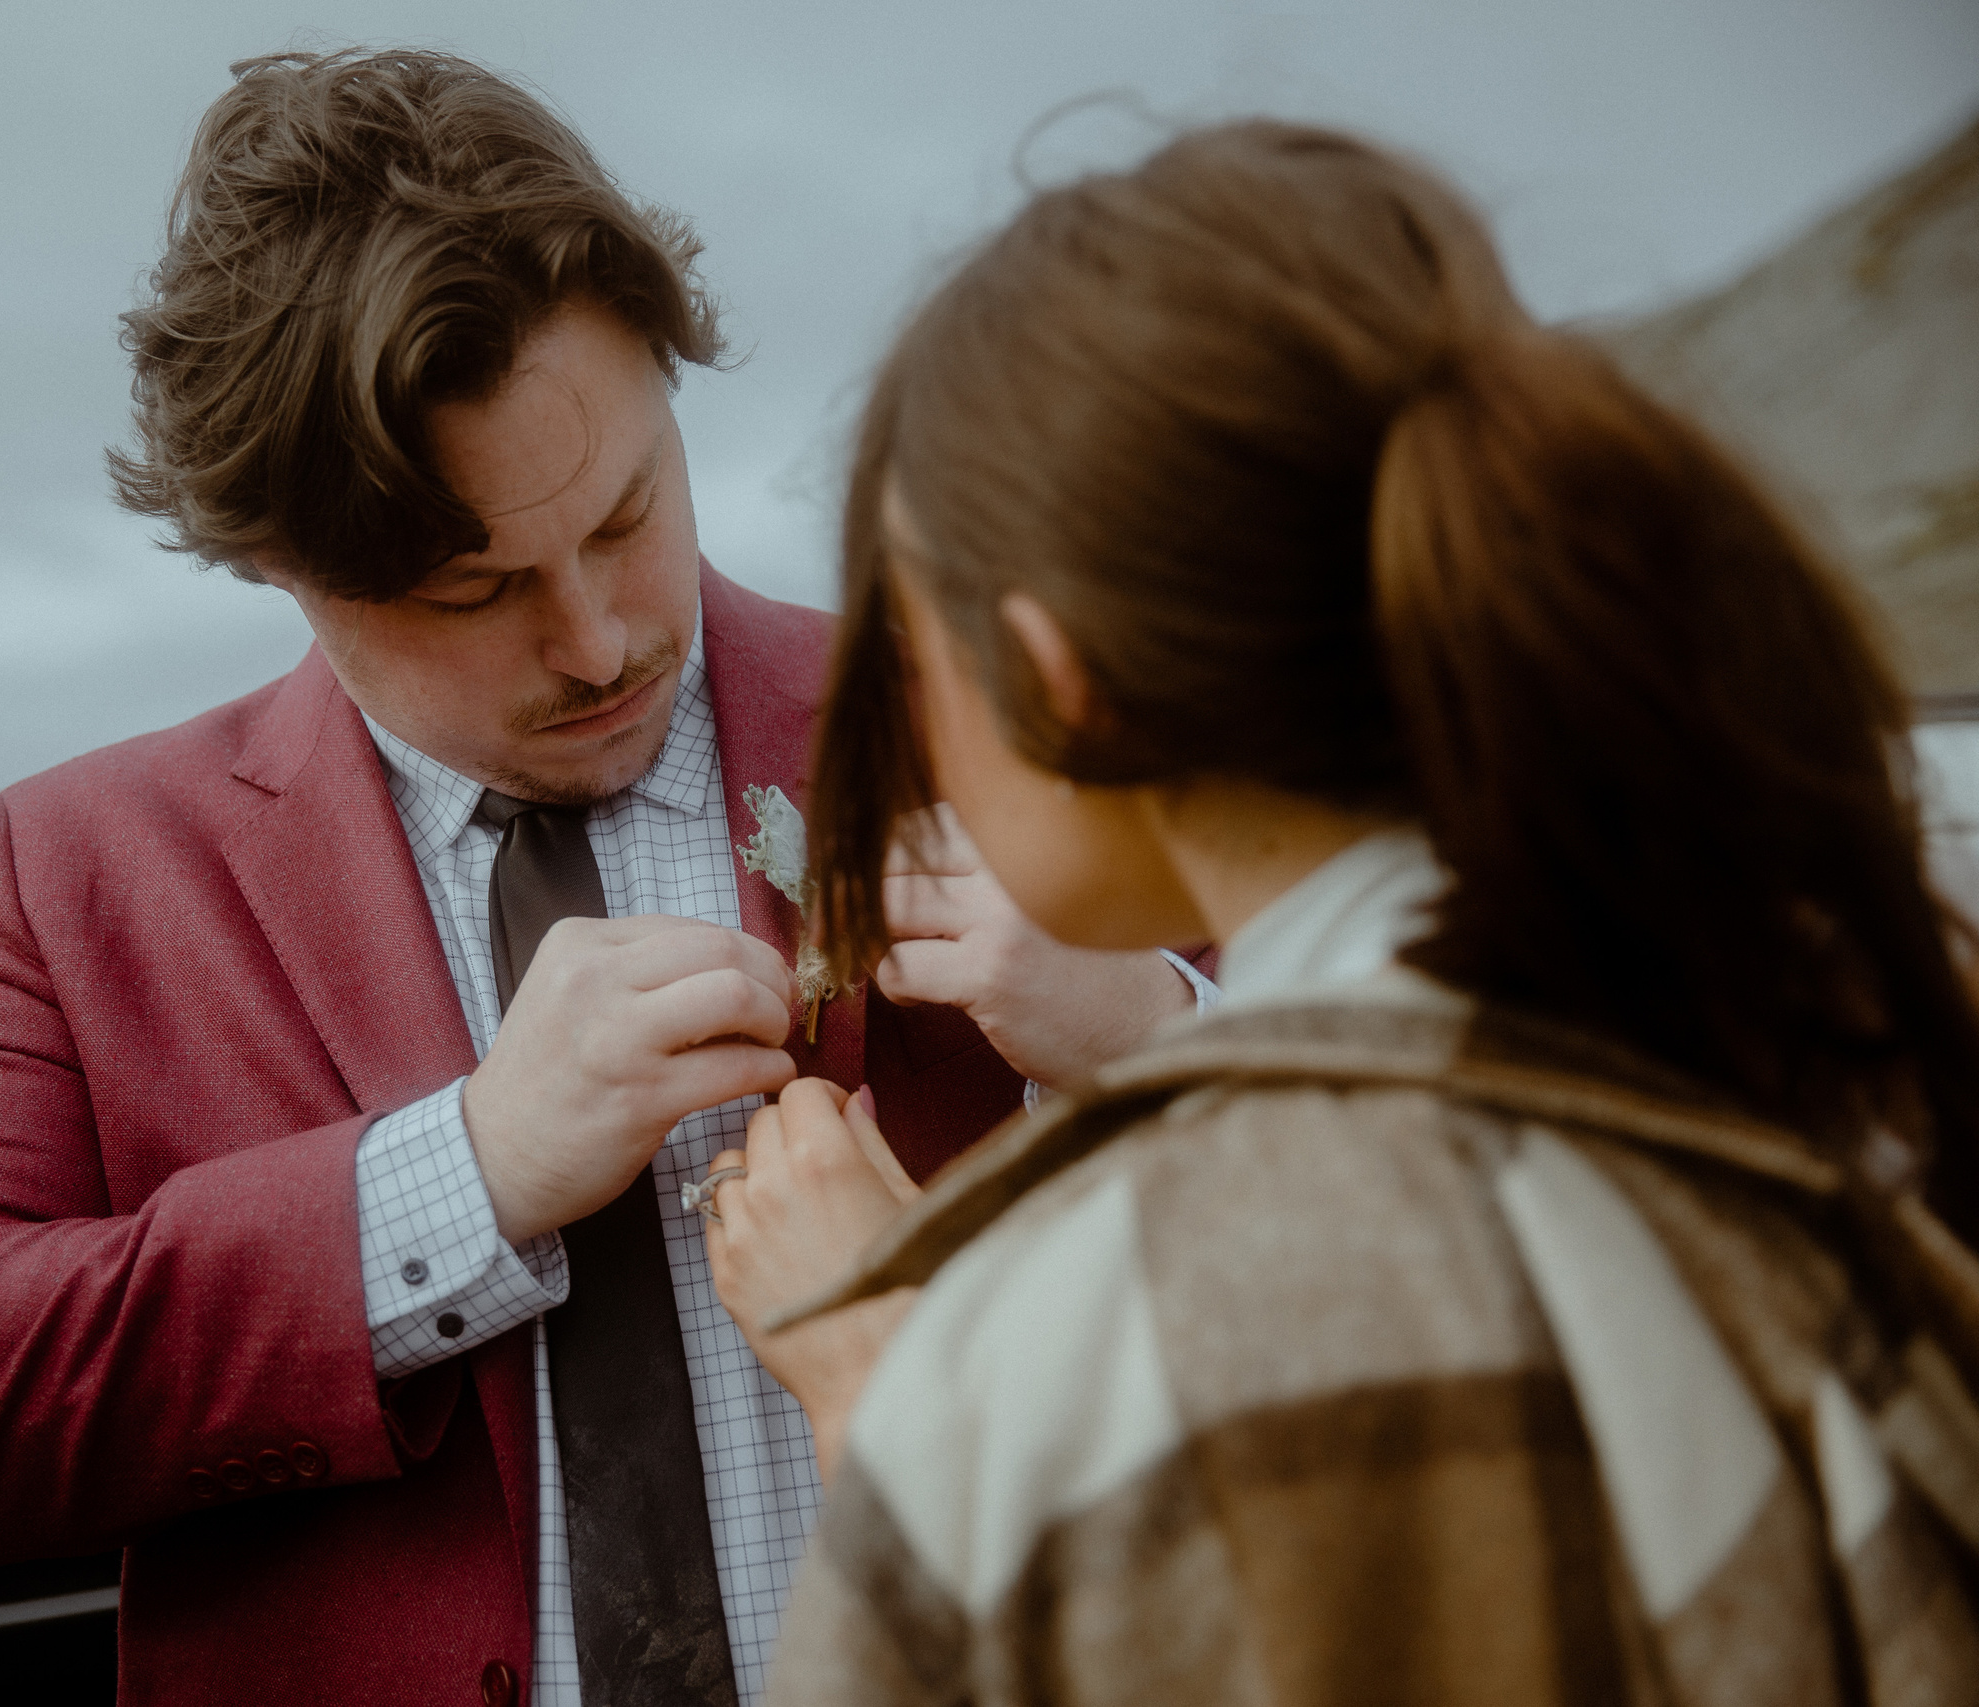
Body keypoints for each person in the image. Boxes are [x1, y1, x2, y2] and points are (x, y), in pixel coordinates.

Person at [0, 49, 1198, 1707]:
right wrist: (458, 1178)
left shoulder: (984, 710)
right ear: (277, 564)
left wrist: (1157, 1031)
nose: (600, 639)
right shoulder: (76, 868)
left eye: (626, 515)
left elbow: (1447, 1177)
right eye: (478, 593)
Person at [700, 120, 1979, 1703]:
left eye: (916, 649)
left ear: (1053, 681)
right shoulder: (1831, 1036)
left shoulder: (1080, 1342)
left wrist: (873, 1387)